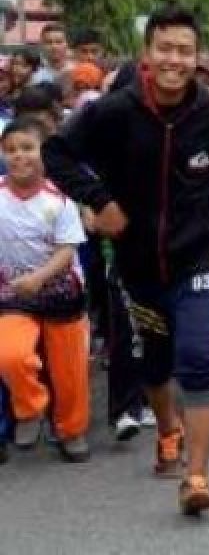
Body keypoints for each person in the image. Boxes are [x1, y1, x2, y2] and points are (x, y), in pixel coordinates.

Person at [42, 7, 209, 515]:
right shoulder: (113, 110)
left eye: (184, 51)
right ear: (148, 53)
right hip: (137, 264)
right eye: (165, 49)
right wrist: (99, 200)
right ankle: (167, 432)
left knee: (200, 361)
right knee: (154, 362)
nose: (174, 60)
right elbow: (56, 152)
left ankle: (197, 476)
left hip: (199, 258)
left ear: (195, 55)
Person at [0, 116, 91, 463]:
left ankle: (71, 431)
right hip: (13, 295)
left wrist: (39, 277)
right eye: (10, 150)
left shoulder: (60, 199)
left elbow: (68, 250)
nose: (19, 156)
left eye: (27, 148)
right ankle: (30, 409)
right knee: (9, 353)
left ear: (44, 153)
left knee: (70, 372)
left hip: (61, 292)